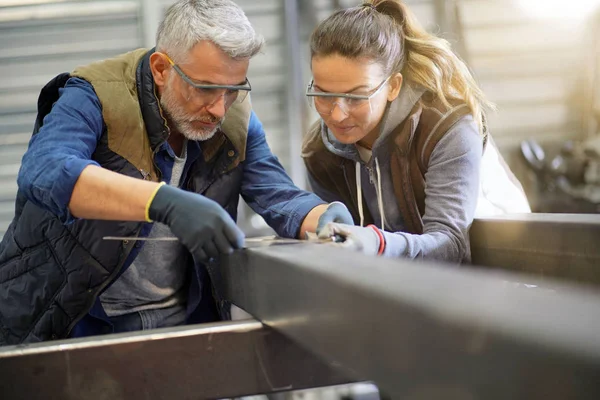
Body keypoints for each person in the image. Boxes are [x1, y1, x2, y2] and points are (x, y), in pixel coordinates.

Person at [0, 0, 352, 345]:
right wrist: (163, 202)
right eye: (205, 88)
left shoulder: (234, 117)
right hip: (76, 320)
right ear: (161, 68)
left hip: (179, 321)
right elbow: (44, 170)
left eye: (233, 89)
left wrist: (320, 216)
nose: (218, 108)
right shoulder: (94, 95)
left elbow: (276, 193)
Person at [302, 0, 530, 262]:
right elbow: (345, 252)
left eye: (356, 97)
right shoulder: (320, 152)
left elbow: (450, 245)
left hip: (506, 264)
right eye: (323, 94)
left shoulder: (446, 128)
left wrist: (376, 243)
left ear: (393, 86)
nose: (337, 114)